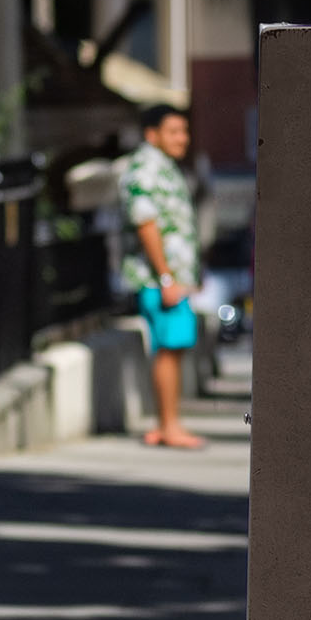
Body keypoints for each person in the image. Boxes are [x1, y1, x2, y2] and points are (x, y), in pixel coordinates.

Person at [120, 103, 205, 448]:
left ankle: (165, 424)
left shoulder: (165, 168)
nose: (182, 138)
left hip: (171, 279)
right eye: (173, 131)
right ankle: (169, 426)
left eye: (184, 131)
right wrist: (167, 278)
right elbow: (146, 225)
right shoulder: (145, 170)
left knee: (172, 349)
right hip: (160, 281)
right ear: (151, 134)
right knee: (169, 349)